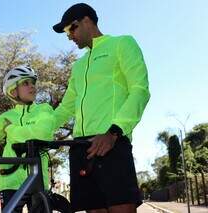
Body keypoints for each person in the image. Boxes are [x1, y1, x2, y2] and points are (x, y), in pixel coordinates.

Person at [52, 3, 150, 213]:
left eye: (72, 28)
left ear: (87, 20)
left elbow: (140, 90)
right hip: (81, 149)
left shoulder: (122, 43)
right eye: (67, 32)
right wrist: (32, 128)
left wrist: (114, 132)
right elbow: (65, 108)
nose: (69, 36)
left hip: (111, 143)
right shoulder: (78, 66)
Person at [0, 66, 55, 212]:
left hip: (38, 180)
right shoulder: (5, 117)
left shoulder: (44, 109)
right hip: (9, 181)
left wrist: (11, 129)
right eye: (25, 83)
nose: (32, 86)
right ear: (13, 91)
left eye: (33, 82)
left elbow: (41, 135)